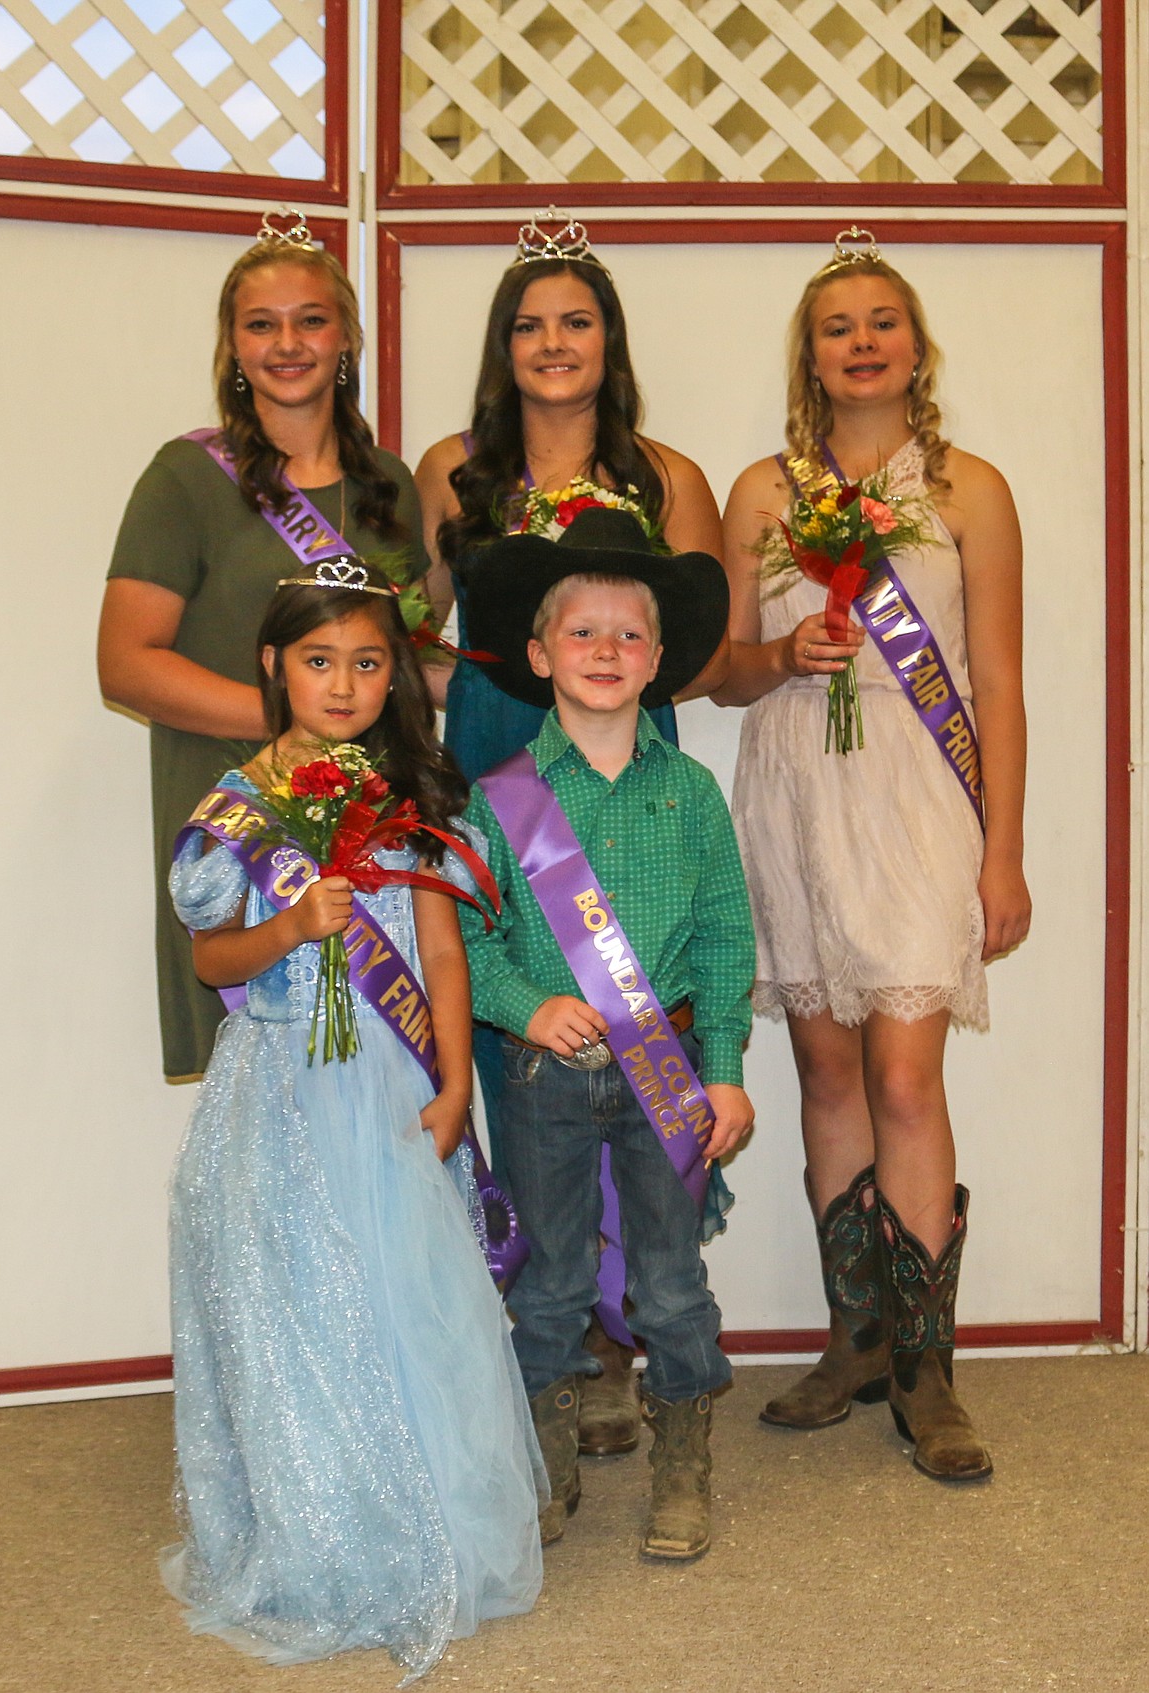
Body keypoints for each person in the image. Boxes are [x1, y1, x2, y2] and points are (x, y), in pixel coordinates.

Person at [163, 557, 543, 1676]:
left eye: (367, 662)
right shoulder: (238, 811)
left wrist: (458, 1082)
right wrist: (288, 931)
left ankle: (437, 1530)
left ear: (396, 677)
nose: (342, 683)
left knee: (405, 1299)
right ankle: (319, 1541)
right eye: (319, 660)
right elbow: (208, 955)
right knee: (293, 1310)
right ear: (275, 665)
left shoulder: (413, 800)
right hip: (276, 1085)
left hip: (388, 1080)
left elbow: (436, 950)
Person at [714, 228, 1031, 1481]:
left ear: (915, 347)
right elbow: (724, 670)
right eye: (836, 325)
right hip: (794, 785)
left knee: (905, 1077)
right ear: (812, 354)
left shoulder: (972, 493)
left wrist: (1004, 850)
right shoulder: (759, 494)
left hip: (917, 791)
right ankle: (855, 1341)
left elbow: (998, 680)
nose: (860, 341)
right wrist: (779, 659)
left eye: (880, 321)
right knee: (825, 1071)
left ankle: (927, 1366)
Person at [414, 210, 725, 1456]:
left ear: (611, 340)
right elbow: (406, 625)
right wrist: (459, 687)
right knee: (528, 1040)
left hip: (621, 768)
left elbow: (694, 649)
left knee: (636, 1016)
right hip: (501, 752)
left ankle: (632, 1322)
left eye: (576, 319)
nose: (553, 342)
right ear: (503, 347)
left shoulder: (670, 476)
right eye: (528, 324)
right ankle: (568, 1340)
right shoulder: (452, 465)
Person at [457, 506, 755, 1560]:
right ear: (539, 654)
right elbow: (463, 934)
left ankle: (683, 1463)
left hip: (665, 1074)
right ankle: (544, 1460)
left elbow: (724, 941)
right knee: (550, 1279)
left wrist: (723, 1072)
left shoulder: (695, 795)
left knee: (672, 1280)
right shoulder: (498, 802)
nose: (605, 652)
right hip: (544, 1073)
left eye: (630, 635)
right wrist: (523, 1001)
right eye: (581, 632)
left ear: (660, 659)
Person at [98, 208, 430, 1081]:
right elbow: (126, 661)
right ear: (232, 349)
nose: (288, 342)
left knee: (374, 1080)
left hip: (368, 824)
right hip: (242, 818)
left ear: (347, 337)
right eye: (261, 324)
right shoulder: (184, 478)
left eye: (311, 319)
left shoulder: (388, 483)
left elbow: (416, 647)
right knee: (266, 1085)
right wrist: (295, 727)